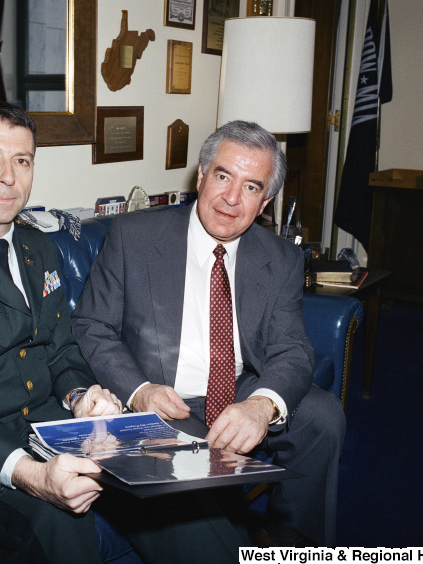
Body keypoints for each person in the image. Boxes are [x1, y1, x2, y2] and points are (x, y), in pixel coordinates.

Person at [0, 102, 243, 563]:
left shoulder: (37, 245)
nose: (8, 177)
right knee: (60, 513)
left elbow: (60, 351)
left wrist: (81, 396)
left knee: (164, 474)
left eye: (22, 160)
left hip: (41, 431)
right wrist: (32, 475)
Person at [71, 120, 346, 547]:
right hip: (165, 399)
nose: (232, 199)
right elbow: (92, 326)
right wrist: (139, 390)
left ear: (265, 201)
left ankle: (292, 543)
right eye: (223, 176)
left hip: (239, 388)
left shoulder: (282, 258)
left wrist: (260, 406)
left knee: (323, 416)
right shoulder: (134, 237)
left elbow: (291, 348)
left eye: (251, 187)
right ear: (201, 176)